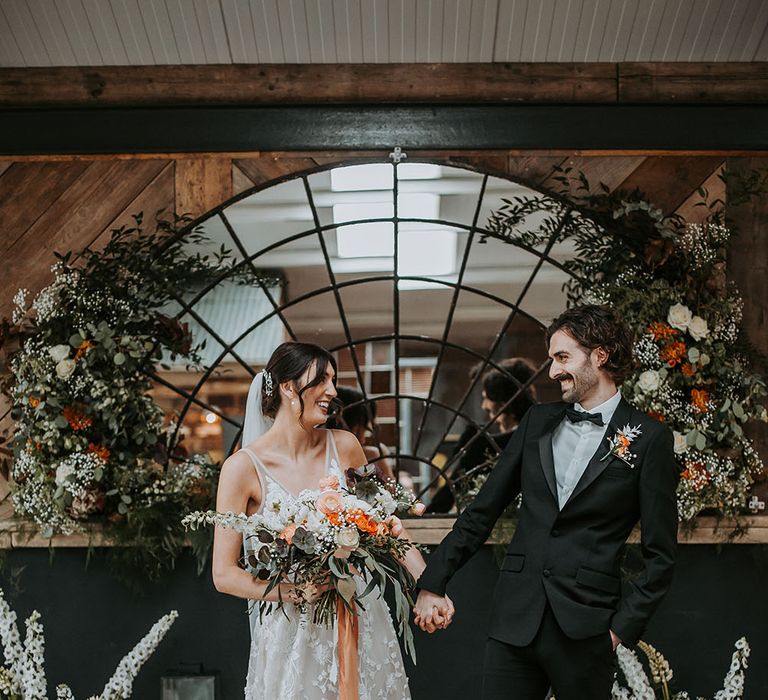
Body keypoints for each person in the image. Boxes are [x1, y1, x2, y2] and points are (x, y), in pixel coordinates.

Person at [413, 305, 679, 700]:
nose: (553, 371)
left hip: (587, 630)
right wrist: (432, 583)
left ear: (600, 355)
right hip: (513, 622)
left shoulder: (649, 438)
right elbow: (481, 512)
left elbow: (661, 556)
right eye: (552, 359)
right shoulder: (537, 422)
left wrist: (618, 631)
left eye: (563, 357)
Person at [212, 341, 428, 699]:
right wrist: (293, 592)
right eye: (322, 379)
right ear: (287, 386)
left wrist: (429, 585)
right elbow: (224, 574)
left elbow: (388, 528)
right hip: (291, 630)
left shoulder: (345, 446)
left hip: (357, 614)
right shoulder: (241, 469)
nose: (331, 391)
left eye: (333, 379)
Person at [428, 358, 537, 514]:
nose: (483, 405)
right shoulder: (536, 433)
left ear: (503, 402)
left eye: (487, 397)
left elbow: (450, 493)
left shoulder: (485, 445)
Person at [328, 385, 396, 483]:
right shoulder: (373, 455)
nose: (364, 438)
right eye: (364, 428)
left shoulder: (374, 454)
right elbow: (392, 490)